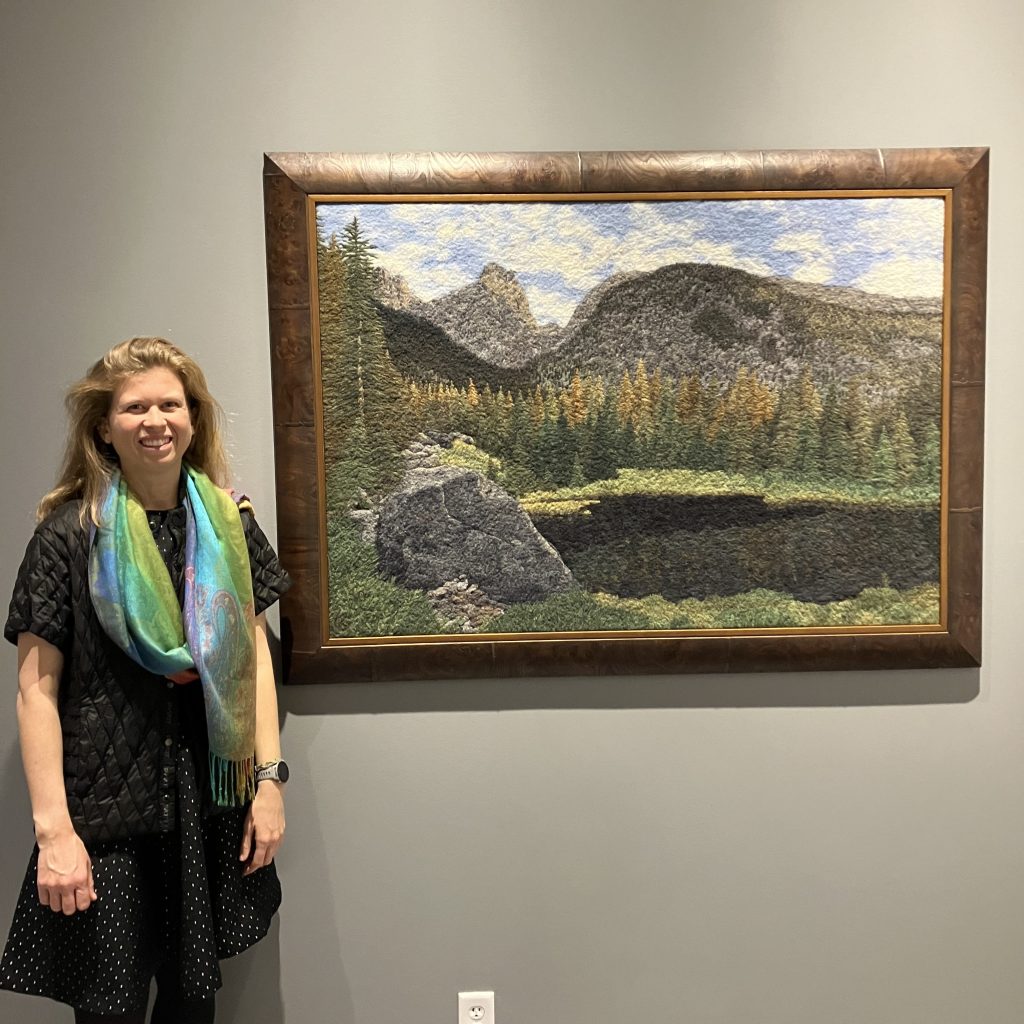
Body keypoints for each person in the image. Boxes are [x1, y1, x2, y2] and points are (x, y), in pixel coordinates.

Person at [0, 337, 292, 1023]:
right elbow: (34, 692)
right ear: (105, 425)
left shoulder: (227, 525)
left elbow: (253, 659)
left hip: (210, 806)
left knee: (193, 1007)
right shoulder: (71, 535)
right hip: (106, 815)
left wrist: (271, 784)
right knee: (110, 1010)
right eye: (135, 407)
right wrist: (53, 835)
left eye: (171, 403)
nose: (155, 420)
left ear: (194, 417)